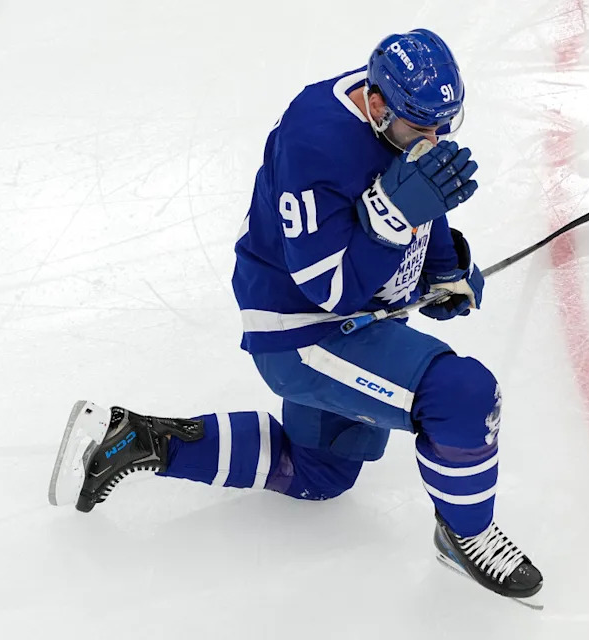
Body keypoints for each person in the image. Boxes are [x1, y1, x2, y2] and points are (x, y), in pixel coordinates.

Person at [49, 28, 542, 599]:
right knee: (463, 394)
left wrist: (440, 269)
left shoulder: (405, 121)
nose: (432, 140)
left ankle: (138, 439)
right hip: (300, 330)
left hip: (358, 316)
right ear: (377, 103)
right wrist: (393, 218)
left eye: (444, 127)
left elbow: (418, 203)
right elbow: (330, 288)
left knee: (320, 475)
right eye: (421, 127)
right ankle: (467, 537)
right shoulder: (317, 138)